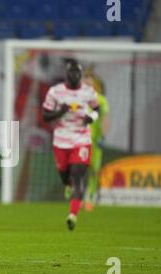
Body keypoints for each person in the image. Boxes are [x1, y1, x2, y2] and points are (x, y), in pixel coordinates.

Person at [42, 59, 99, 231]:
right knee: (65, 177)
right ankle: (68, 185)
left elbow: (96, 109)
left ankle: (73, 214)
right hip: (61, 140)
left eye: (77, 72)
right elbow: (45, 115)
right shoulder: (55, 92)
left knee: (77, 176)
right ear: (66, 74)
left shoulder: (89, 92)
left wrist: (92, 118)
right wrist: (61, 111)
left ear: (80, 74)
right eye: (71, 72)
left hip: (81, 139)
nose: (75, 75)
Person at [82, 72, 109, 212]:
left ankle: (90, 198)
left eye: (90, 84)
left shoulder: (101, 100)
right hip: (79, 140)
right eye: (85, 84)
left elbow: (104, 119)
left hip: (94, 141)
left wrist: (103, 136)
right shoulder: (77, 100)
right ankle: (78, 196)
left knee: (93, 170)